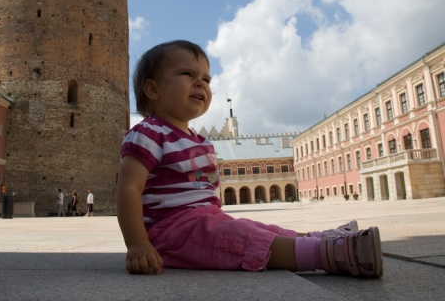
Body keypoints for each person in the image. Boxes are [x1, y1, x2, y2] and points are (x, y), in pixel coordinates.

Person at [116, 40, 383, 277]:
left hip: (206, 220)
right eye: (187, 74)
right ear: (152, 89)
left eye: (206, 80)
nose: (201, 83)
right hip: (172, 233)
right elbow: (128, 188)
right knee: (248, 240)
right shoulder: (148, 133)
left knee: (260, 229)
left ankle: (321, 238)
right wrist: (138, 243)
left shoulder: (199, 140)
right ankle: (331, 254)